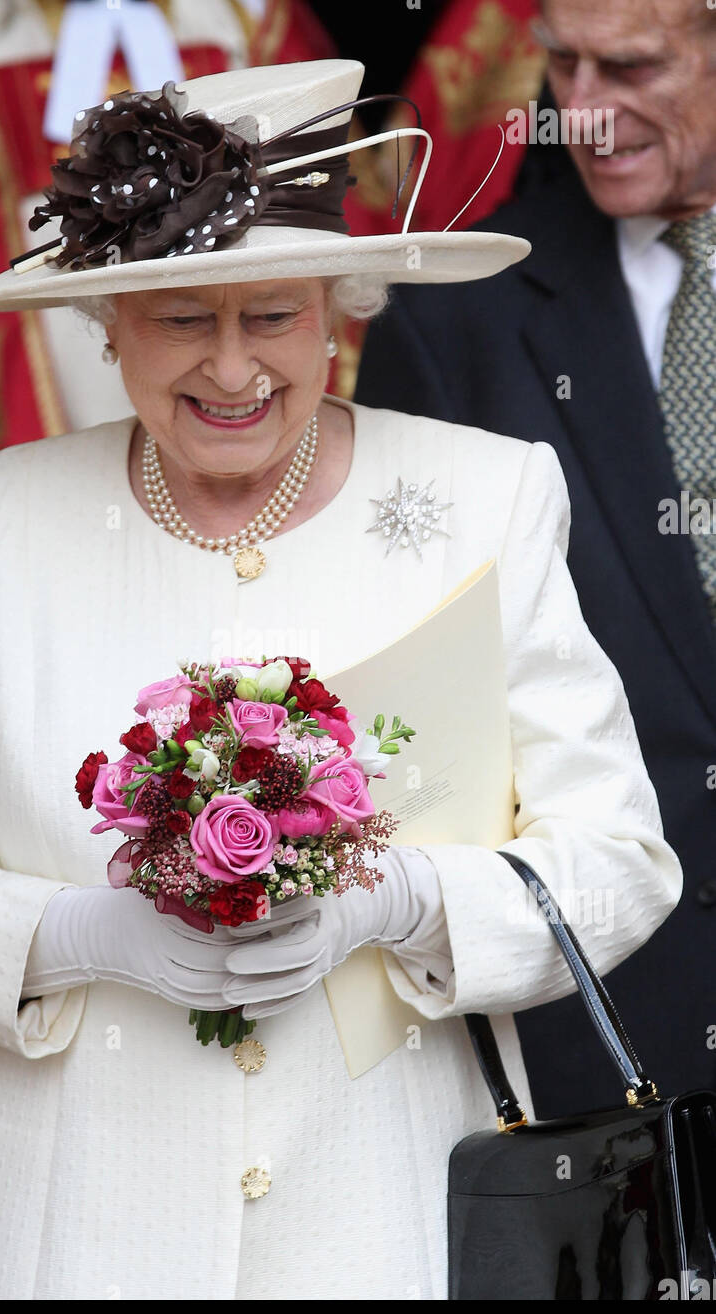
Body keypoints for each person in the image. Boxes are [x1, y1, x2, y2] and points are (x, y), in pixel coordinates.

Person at [0, 58, 682, 1301]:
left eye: (273, 315)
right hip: (79, 1237)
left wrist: (399, 904)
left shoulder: (478, 500)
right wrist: (79, 935)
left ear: (340, 308)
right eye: (183, 320)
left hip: (380, 1228)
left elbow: (619, 860)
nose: (233, 372)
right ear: (104, 322)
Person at [355, 0, 716, 1120]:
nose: (586, 113)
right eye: (562, 65)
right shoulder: (450, 319)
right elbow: (404, 722)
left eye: (634, 66)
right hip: (602, 1053)